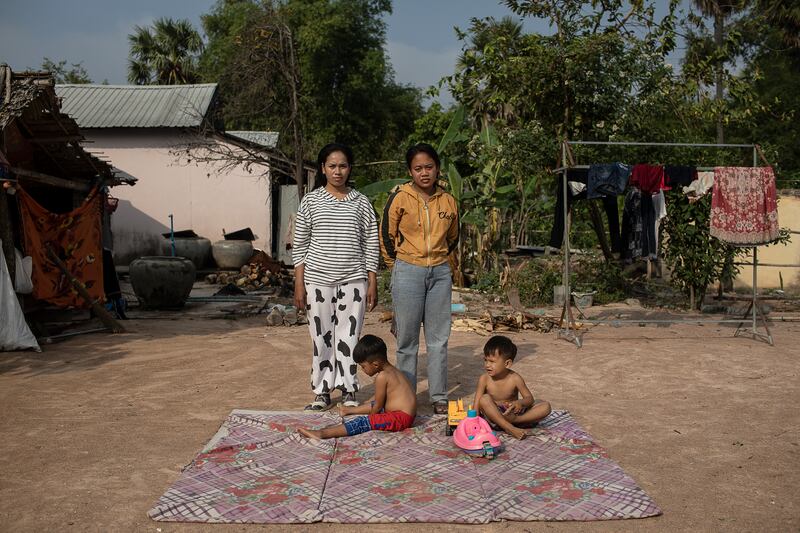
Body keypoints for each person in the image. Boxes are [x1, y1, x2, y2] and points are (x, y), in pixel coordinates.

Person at [293, 143, 380, 411]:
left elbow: (371, 243)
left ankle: (348, 388)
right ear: (323, 168)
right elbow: (300, 245)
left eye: (342, 165)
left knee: (349, 337)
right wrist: (299, 283)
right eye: (332, 166)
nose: (337, 171)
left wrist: (372, 280)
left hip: (354, 280)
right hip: (317, 281)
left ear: (349, 168)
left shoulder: (361, 202)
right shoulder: (311, 201)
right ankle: (322, 391)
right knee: (321, 337)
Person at [380, 143, 459, 415]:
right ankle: (406, 396)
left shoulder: (448, 200)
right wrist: (398, 266)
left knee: (438, 339)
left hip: (439, 272)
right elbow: (386, 236)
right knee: (406, 340)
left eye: (429, 167)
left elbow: (453, 238)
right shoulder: (399, 197)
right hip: (407, 271)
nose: (424, 173)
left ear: (437, 168)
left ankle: (438, 396)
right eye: (418, 168)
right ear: (410, 171)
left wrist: (437, 261)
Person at [297, 335, 417, 439]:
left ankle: (323, 433)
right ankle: (348, 410)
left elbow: (378, 407)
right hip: (406, 415)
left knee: (362, 422)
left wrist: (370, 421)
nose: (362, 369)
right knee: (374, 404)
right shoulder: (394, 370)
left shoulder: (382, 377)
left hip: (401, 419)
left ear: (375, 364)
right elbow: (378, 403)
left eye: (363, 366)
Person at [473, 335, 551, 440]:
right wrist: (473, 423)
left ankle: (515, 421)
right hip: (494, 419)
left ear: (507, 363)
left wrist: (519, 403)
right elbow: (477, 404)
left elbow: (529, 399)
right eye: (485, 360)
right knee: (484, 399)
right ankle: (509, 428)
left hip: (514, 415)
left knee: (546, 406)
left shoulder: (515, 378)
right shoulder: (484, 379)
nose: (487, 365)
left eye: (492, 361)